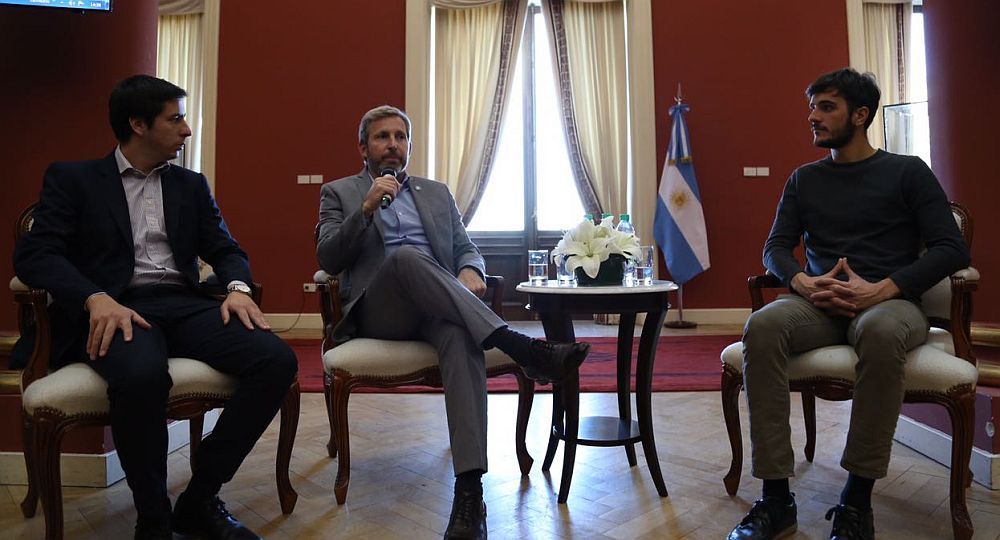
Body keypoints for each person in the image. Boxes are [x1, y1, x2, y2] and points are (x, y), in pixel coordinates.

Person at [13, 75, 298, 540]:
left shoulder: (190, 184)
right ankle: (154, 520)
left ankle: (200, 496)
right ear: (138, 125)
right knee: (142, 375)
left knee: (276, 360)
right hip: (117, 307)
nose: (186, 130)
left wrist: (238, 288)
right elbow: (36, 254)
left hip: (185, 304)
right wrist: (93, 298)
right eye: (176, 118)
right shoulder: (74, 179)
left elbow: (226, 249)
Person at [316, 105, 590, 540]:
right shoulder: (340, 192)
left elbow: (466, 247)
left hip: (438, 306)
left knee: (461, 336)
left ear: (409, 145)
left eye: (400, 137)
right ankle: (521, 347)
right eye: (382, 137)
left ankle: (468, 494)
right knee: (407, 257)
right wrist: (365, 210)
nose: (392, 145)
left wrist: (472, 271)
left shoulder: (436, 192)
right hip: (381, 310)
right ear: (363, 147)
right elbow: (328, 257)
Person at [727, 68, 970, 540]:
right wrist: (802, 280)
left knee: (880, 331)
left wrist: (884, 288)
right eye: (812, 106)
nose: (812, 117)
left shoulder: (907, 171)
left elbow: (951, 249)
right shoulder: (804, 179)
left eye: (826, 107)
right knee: (763, 325)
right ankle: (776, 498)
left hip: (890, 306)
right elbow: (775, 247)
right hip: (818, 305)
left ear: (860, 115)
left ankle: (856, 501)